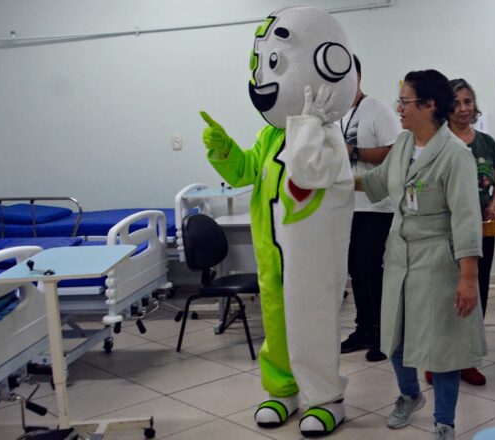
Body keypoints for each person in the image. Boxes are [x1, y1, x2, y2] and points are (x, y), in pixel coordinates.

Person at [200, 7, 357, 436]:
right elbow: (246, 172)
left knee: (313, 325)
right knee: (277, 322)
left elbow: (308, 172)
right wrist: (223, 149)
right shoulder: (270, 135)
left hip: (311, 258)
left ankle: (325, 397)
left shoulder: (326, 135)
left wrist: (309, 120)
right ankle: (282, 389)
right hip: (272, 251)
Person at [357, 69, 486, 440]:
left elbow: (466, 219)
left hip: (438, 263)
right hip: (399, 257)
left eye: (406, 101)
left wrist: (467, 279)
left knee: (442, 349)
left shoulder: (455, 155)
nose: (399, 108)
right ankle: (409, 396)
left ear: (429, 105)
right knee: (395, 338)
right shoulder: (402, 145)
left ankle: (444, 421)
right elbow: (376, 183)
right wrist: (329, 179)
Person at [426, 77, 495, 387]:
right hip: (447, 234)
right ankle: (438, 361)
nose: (463, 108)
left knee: (478, 295)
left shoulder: (486, 143)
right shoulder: (438, 142)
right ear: (446, 107)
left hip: (483, 232)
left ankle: (467, 359)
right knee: (447, 296)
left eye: (468, 102)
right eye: (456, 103)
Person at [339, 55, 402, 362]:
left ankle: (382, 333)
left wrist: (353, 150)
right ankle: (363, 328)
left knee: (369, 268)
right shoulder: (335, 115)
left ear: (358, 77)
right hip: (344, 206)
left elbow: (394, 154)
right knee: (354, 270)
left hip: (376, 205)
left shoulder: (378, 110)